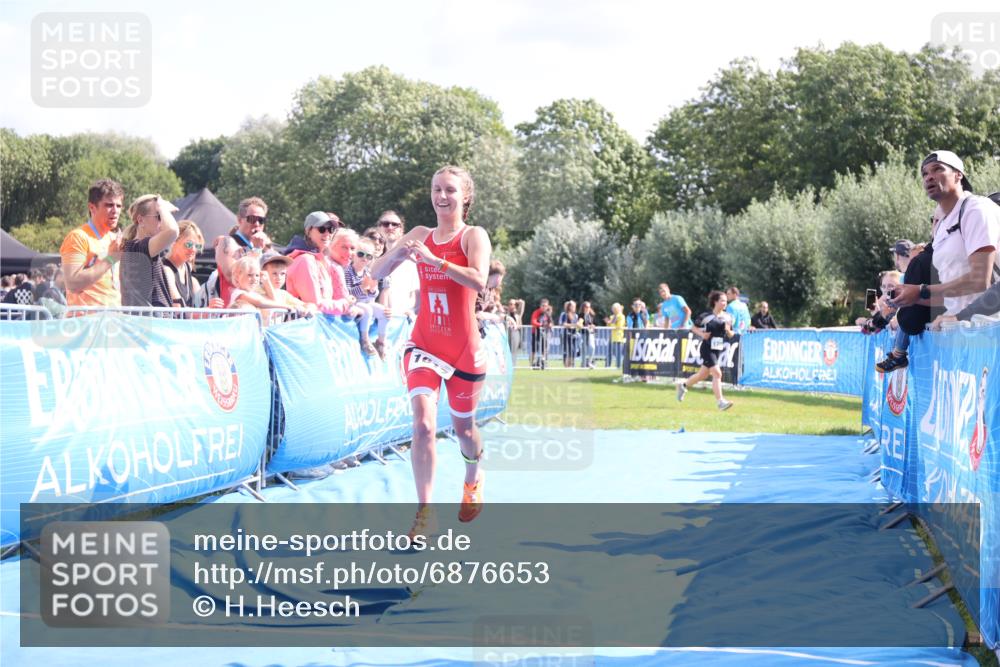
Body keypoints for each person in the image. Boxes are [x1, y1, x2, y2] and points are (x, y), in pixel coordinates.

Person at [371, 166, 492, 531]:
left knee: (464, 429)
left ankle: (473, 477)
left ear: (465, 196)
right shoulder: (420, 234)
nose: (442, 196)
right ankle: (424, 512)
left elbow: (479, 280)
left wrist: (435, 260)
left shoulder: (474, 236)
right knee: (422, 424)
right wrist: (397, 256)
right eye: (436, 189)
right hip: (424, 344)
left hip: (463, 352)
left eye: (450, 190)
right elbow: (375, 273)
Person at [891, 150, 1000, 319]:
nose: (929, 177)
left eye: (937, 169)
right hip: (958, 328)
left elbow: (979, 281)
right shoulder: (941, 226)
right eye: (925, 173)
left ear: (958, 175)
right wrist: (912, 297)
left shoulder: (975, 209)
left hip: (990, 328)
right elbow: (951, 295)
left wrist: (922, 290)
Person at [60, 178, 124, 308]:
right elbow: (73, 284)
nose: (115, 211)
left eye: (118, 206)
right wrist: (111, 259)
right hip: (85, 322)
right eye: (109, 205)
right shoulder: (78, 237)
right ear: (92, 207)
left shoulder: (115, 239)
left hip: (114, 320)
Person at [676, 290, 736, 411]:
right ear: (715, 302)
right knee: (717, 373)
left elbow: (731, 334)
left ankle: (683, 386)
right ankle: (720, 402)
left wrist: (728, 331)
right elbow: (692, 327)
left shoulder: (728, 317)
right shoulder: (706, 316)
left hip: (717, 350)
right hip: (706, 348)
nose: (725, 303)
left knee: (702, 375)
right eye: (722, 300)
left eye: (726, 301)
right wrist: (702, 335)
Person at [284, 212, 352, 314]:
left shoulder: (320, 261)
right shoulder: (305, 261)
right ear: (308, 231)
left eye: (331, 229)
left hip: (317, 325)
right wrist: (345, 304)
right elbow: (315, 305)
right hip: (303, 326)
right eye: (322, 229)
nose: (327, 233)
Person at [120, 194, 180, 308]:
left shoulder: (136, 248)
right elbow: (173, 231)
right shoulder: (136, 248)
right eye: (159, 216)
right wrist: (162, 207)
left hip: (150, 322)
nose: (163, 222)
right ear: (141, 220)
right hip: (148, 323)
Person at [215, 196, 272, 305]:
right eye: (252, 219)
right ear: (240, 220)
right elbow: (231, 276)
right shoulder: (228, 242)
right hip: (233, 310)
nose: (257, 224)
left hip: (257, 310)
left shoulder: (262, 247)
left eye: (261, 220)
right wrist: (256, 251)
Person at [345, 235, 389, 358]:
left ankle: (381, 342)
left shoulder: (368, 273)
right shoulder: (347, 271)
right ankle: (364, 340)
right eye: (361, 254)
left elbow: (373, 295)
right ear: (353, 255)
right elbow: (347, 293)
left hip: (365, 302)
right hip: (354, 304)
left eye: (368, 256)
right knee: (368, 310)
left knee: (384, 312)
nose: (364, 258)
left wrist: (373, 290)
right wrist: (363, 288)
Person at [377, 210, 419, 322]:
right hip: (375, 322)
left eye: (395, 224)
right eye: (385, 224)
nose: (390, 227)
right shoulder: (368, 257)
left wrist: (408, 309)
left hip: (401, 321)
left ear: (402, 230)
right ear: (379, 228)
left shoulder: (411, 260)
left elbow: (413, 295)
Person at [163, 220, 205, 308]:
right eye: (189, 244)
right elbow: (178, 307)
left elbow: (200, 307)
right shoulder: (167, 270)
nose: (194, 250)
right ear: (174, 242)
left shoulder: (187, 270)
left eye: (197, 246)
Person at [261, 252, 316, 317]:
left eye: (282, 274)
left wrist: (309, 308)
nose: (279, 278)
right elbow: (275, 304)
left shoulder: (283, 294)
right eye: (274, 273)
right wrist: (267, 283)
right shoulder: (256, 291)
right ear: (263, 273)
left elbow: (309, 305)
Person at [530, 298, 552, 369]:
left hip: (544, 333)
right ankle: (531, 364)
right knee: (534, 349)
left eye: (545, 306)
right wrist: (541, 325)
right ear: (540, 306)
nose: (544, 307)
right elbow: (533, 321)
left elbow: (550, 322)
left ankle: (543, 362)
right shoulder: (536, 312)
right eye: (543, 305)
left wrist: (550, 324)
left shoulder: (547, 314)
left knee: (544, 348)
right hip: (535, 333)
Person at [559, 300, 580, 367]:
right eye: (573, 306)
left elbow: (577, 326)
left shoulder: (576, 315)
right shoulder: (565, 314)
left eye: (575, 306)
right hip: (566, 334)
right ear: (570, 307)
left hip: (574, 335)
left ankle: (571, 365)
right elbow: (564, 324)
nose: (574, 307)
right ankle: (566, 366)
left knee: (573, 351)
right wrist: (574, 325)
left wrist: (579, 325)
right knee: (567, 351)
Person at [605, 302, 626, 368]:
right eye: (613, 309)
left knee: (618, 354)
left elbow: (619, 326)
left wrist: (611, 323)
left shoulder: (621, 316)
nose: (613, 310)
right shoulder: (612, 316)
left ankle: (618, 366)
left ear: (618, 309)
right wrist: (608, 323)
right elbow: (609, 326)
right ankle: (607, 366)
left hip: (618, 337)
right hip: (612, 337)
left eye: (615, 309)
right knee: (609, 352)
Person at [579, 301, 598, 368]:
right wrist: (586, 326)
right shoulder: (581, 315)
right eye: (586, 307)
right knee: (583, 349)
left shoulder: (591, 315)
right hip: (584, 333)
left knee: (592, 347)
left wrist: (593, 325)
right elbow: (580, 323)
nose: (588, 308)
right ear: (583, 307)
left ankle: (589, 362)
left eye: (589, 307)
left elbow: (594, 323)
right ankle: (583, 364)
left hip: (591, 333)